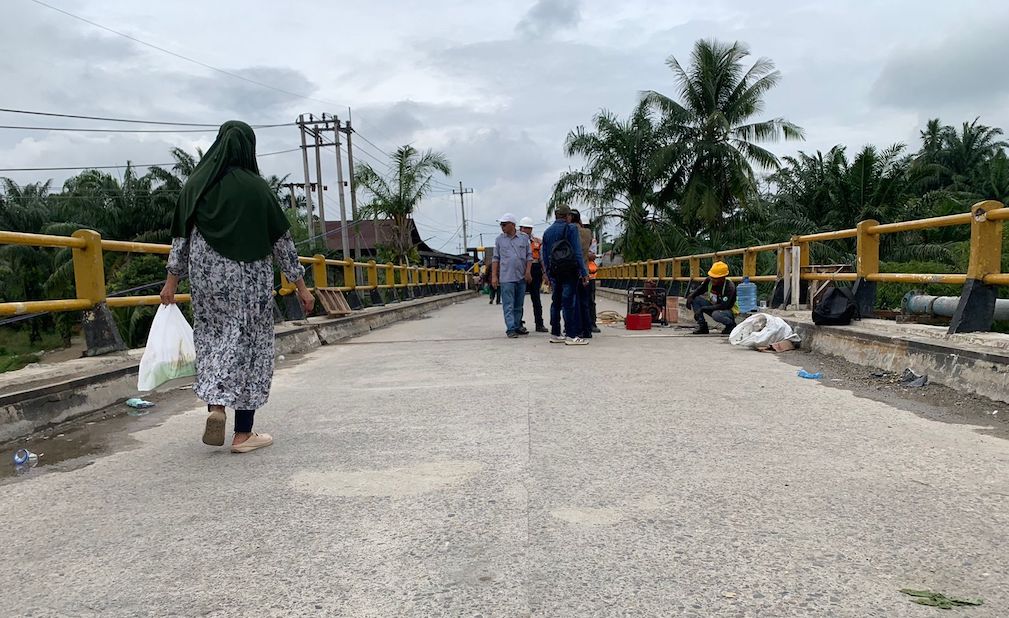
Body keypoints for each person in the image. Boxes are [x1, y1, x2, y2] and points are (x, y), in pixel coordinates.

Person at [160, 120, 315, 454]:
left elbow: (180, 240)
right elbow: (283, 243)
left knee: (212, 339)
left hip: (207, 282)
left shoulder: (196, 185)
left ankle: (216, 406)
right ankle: (243, 434)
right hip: (250, 282)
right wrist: (301, 287)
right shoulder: (257, 188)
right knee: (250, 348)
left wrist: (171, 281)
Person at [542, 205, 589, 345]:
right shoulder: (571, 229)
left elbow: (545, 255)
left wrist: (547, 273)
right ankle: (571, 335)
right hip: (569, 270)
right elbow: (577, 252)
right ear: (567, 216)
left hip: (555, 271)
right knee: (569, 303)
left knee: (556, 302)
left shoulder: (547, 232)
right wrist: (584, 272)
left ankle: (555, 333)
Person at [492, 213, 533, 338]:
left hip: (521, 276)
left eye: (504, 224)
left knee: (518, 304)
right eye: (501, 225)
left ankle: (517, 325)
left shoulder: (524, 238)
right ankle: (510, 328)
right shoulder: (499, 240)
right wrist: (494, 276)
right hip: (506, 277)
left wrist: (528, 272)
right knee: (508, 304)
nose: (502, 227)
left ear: (512, 225)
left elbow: (529, 256)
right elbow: (496, 258)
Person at [684, 261, 738, 335]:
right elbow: (700, 290)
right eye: (711, 277)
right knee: (695, 299)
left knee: (716, 315)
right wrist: (690, 296)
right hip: (714, 306)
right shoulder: (709, 281)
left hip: (727, 311)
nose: (712, 279)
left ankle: (731, 325)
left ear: (722, 278)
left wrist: (703, 309)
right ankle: (702, 326)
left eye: (715, 278)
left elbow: (723, 306)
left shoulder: (729, 287)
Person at [570, 209, 597, 338]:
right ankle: (588, 330)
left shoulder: (568, 231)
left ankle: (576, 329)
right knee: (585, 302)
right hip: (585, 272)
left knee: (573, 302)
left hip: (571, 271)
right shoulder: (588, 233)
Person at [518, 217, 547, 332]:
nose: (526, 230)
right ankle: (518, 323)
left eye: (528, 228)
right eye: (524, 228)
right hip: (521, 269)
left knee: (536, 299)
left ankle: (539, 324)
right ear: (520, 228)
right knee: (519, 299)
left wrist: (544, 272)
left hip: (535, 269)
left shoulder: (537, 242)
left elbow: (542, 258)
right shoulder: (515, 241)